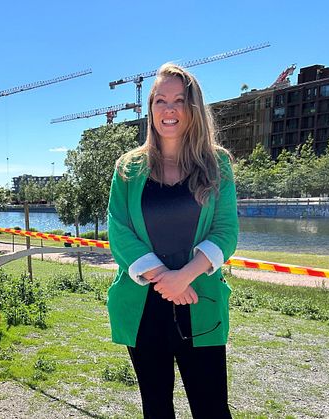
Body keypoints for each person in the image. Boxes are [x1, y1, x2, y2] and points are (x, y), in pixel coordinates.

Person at [106, 63, 238, 418]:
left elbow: (226, 232)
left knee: (212, 409)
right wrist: (164, 279)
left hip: (201, 301)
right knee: (157, 409)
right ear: (150, 108)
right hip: (142, 307)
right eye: (160, 100)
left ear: (192, 107)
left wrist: (183, 278)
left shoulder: (217, 163)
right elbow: (118, 229)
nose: (169, 109)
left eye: (179, 100)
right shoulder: (128, 168)